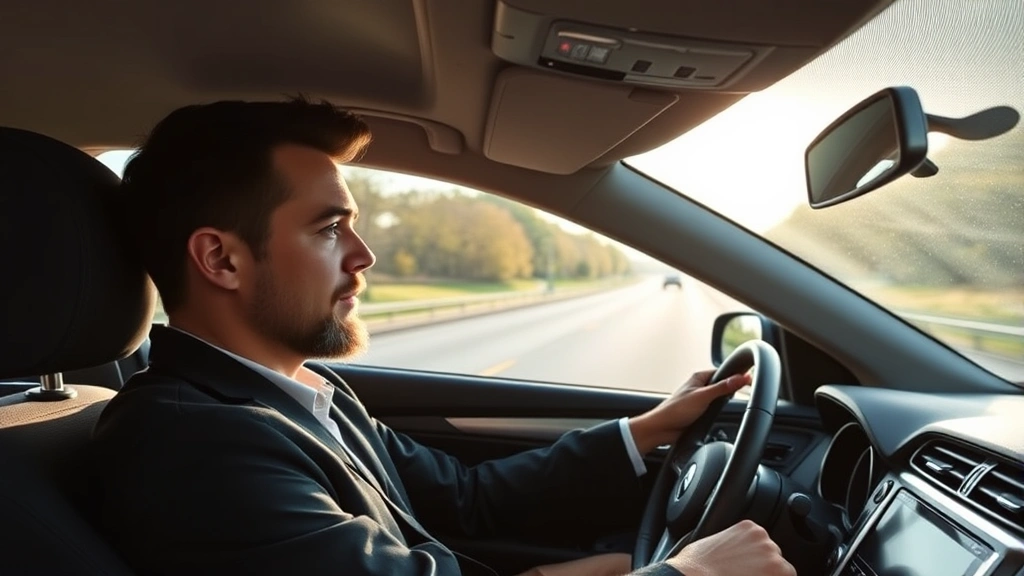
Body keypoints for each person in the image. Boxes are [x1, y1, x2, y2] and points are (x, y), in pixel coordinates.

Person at [90, 98, 795, 576]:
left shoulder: (300, 390)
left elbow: (462, 498)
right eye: (329, 228)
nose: (364, 256)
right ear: (221, 260)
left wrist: (643, 431)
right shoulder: (191, 443)